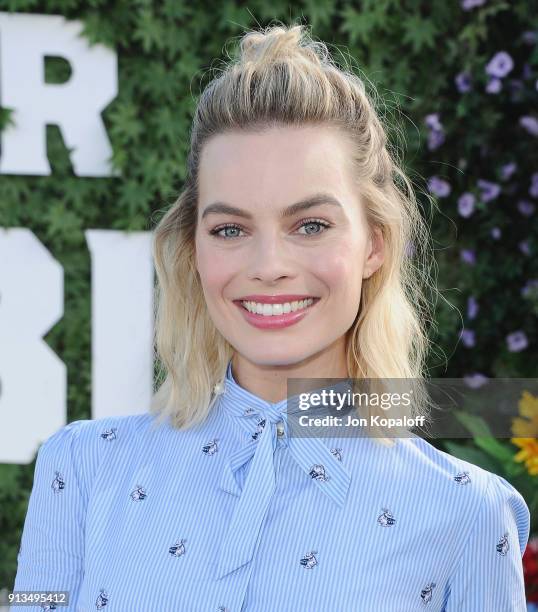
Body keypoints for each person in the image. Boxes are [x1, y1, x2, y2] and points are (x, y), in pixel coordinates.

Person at [11, 22, 529, 612]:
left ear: (375, 244)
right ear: (193, 251)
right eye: (230, 229)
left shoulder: (466, 514)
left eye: (310, 225)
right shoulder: (80, 470)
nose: (268, 266)